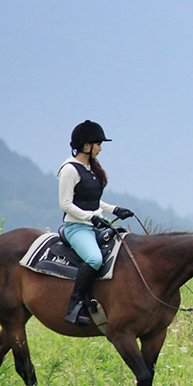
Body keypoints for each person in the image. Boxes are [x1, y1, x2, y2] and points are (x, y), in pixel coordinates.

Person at [58, 120, 133, 324]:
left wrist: (115, 209)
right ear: (85, 145)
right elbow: (66, 204)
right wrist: (91, 217)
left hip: (93, 225)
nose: (100, 148)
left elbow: (91, 201)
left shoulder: (91, 168)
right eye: (97, 144)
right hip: (77, 227)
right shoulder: (69, 170)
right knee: (94, 259)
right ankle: (75, 305)